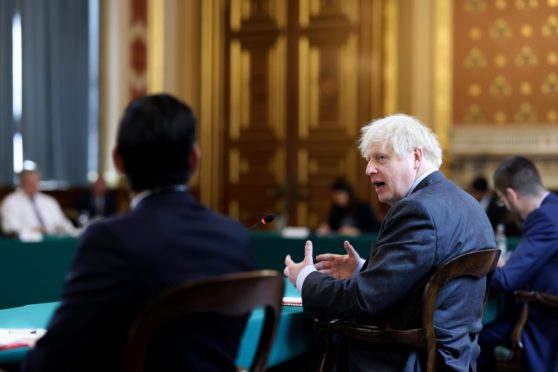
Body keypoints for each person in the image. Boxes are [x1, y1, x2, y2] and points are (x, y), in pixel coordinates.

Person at [23, 94, 254, 372]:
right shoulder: (235, 237)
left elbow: (55, 359)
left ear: (118, 161)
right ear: (195, 159)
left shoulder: (108, 241)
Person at [283, 114, 495, 371]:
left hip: (403, 359)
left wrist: (306, 277)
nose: (368, 169)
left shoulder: (417, 210)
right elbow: (421, 284)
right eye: (368, 159)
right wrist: (364, 270)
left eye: (380, 158)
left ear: (416, 157)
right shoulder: (469, 205)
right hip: (455, 358)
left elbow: (364, 301)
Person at [478, 156, 558, 371]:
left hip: (543, 320)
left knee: (471, 339)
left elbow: (505, 281)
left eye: (502, 200)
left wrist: (488, 263)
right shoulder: (553, 208)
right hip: (543, 310)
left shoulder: (544, 217)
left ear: (511, 195)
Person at [0, 169, 78, 239]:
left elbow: (64, 224)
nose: (34, 185)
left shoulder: (49, 201)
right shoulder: (10, 202)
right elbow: (9, 228)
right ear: (21, 183)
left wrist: (61, 228)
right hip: (25, 245)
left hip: (53, 241)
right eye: (30, 182)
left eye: (36, 181)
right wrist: (33, 230)